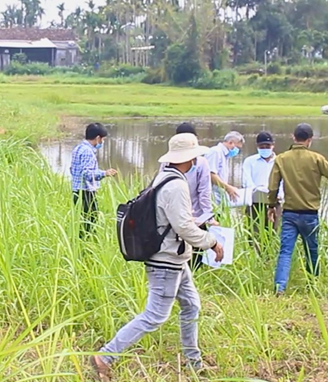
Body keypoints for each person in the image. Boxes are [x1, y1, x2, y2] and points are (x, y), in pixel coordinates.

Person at [90, 133, 224, 381]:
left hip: (176, 257)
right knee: (155, 316)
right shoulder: (176, 185)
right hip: (166, 261)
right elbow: (183, 227)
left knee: (191, 305)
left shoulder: (164, 177)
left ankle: (193, 362)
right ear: (190, 158)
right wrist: (212, 242)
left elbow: (175, 220)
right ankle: (105, 356)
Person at [267, 123, 328, 294]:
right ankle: (312, 285)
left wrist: (272, 205)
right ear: (310, 140)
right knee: (312, 251)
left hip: (290, 214)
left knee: (285, 252)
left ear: (294, 137)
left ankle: (280, 287)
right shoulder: (316, 159)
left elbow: (272, 187)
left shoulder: (281, 159)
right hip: (310, 214)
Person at [159, 123, 216, 271]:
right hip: (194, 217)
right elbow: (204, 192)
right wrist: (208, 216)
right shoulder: (201, 162)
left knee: (185, 257)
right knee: (190, 255)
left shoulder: (166, 163)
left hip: (174, 217)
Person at [70, 123, 117, 237]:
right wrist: (104, 173)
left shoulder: (79, 148)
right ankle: (87, 245)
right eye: (102, 139)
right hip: (85, 192)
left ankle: (81, 244)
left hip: (77, 190)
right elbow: (87, 173)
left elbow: (73, 169)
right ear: (97, 138)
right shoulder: (87, 152)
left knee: (81, 220)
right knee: (90, 221)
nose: (102, 142)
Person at [241, 131, 283, 235]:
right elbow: (246, 180)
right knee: (254, 232)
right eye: (262, 146)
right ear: (257, 146)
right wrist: (257, 191)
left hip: (274, 202)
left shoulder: (280, 161)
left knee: (273, 232)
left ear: (273, 145)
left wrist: (279, 195)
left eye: (267, 146)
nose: (265, 148)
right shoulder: (250, 161)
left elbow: (283, 181)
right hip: (254, 202)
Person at [205, 131, 245, 205]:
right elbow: (211, 174)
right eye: (237, 147)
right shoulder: (215, 152)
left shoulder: (225, 156)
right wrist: (228, 188)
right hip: (211, 197)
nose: (237, 151)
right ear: (230, 142)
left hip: (219, 197)